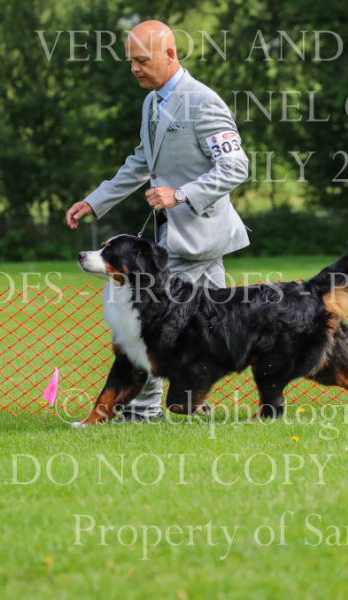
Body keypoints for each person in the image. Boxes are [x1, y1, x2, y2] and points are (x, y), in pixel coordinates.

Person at [65, 20, 250, 422]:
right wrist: (94, 202)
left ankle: (144, 408)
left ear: (170, 54)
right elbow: (141, 162)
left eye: (142, 60)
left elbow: (237, 166)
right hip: (182, 237)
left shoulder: (203, 101)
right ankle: (193, 396)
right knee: (214, 326)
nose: (134, 68)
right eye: (130, 61)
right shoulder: (152, 101)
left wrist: (179, 194)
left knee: (146, 316)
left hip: (198, 235)